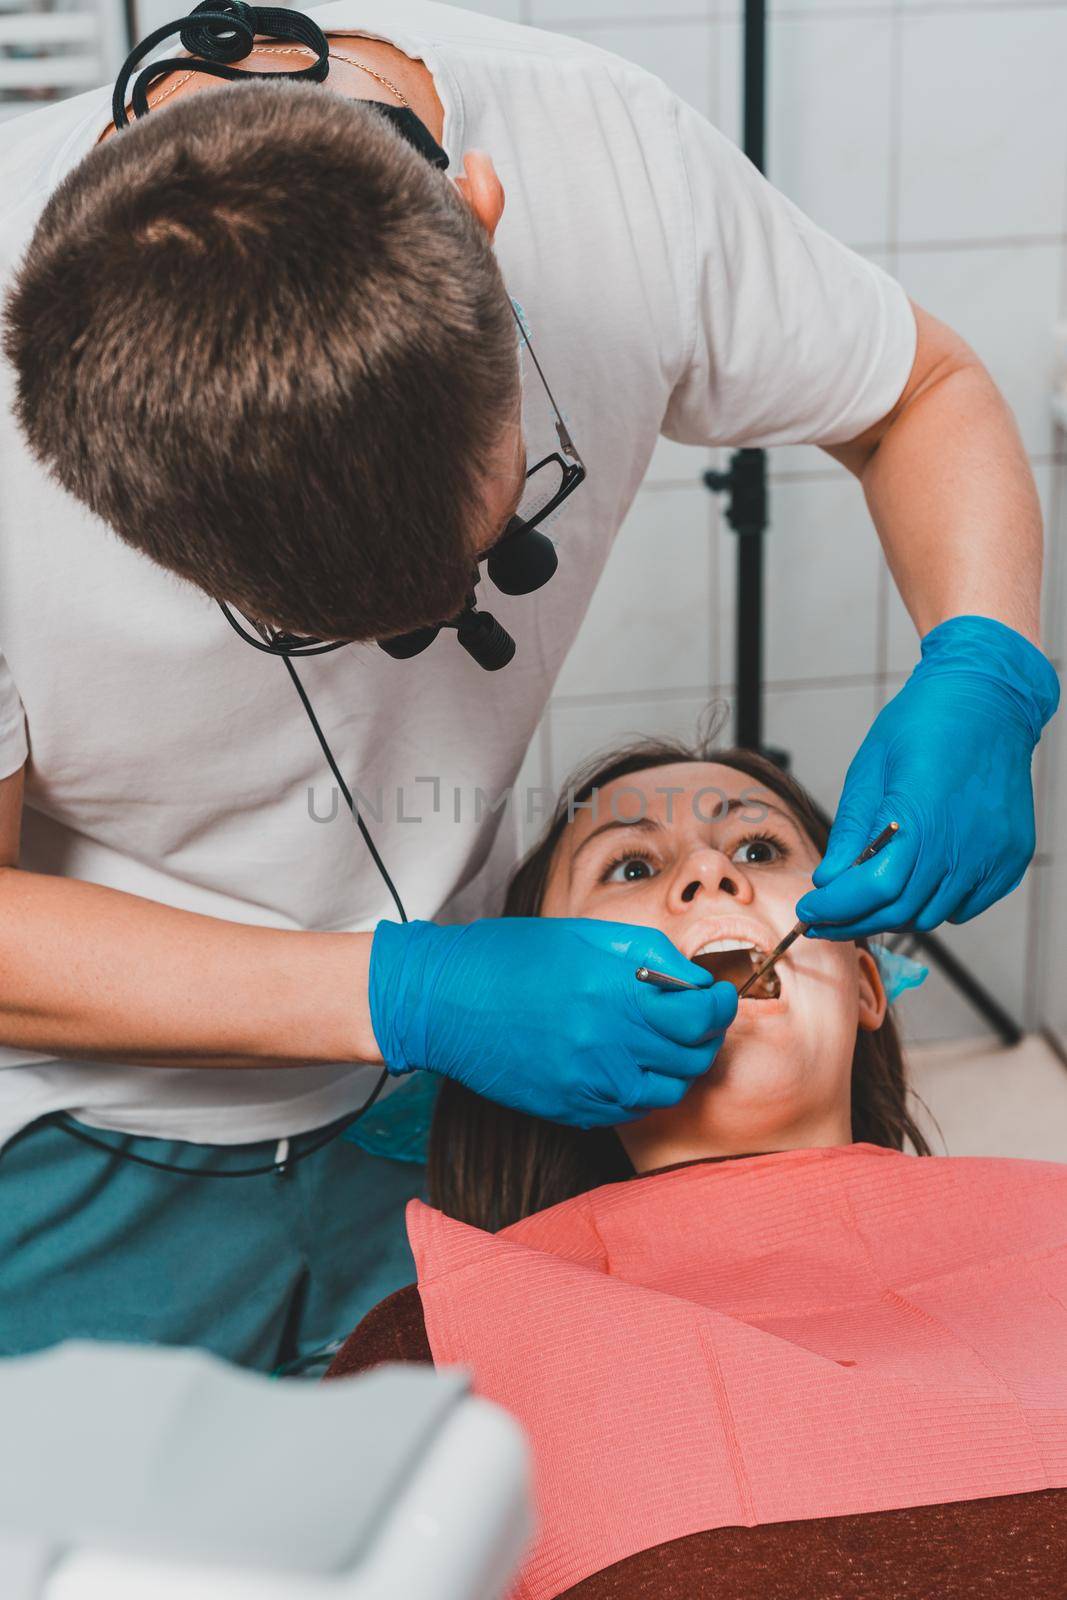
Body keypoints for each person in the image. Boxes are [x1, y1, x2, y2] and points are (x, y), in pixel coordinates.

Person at [0, 0, 1059, 1363]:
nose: (712, 883)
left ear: (486, 225)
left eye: (490, 540)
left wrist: (985, 661)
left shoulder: (614, 174)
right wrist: (408, 993)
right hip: (82, 1130)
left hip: (432, 1107)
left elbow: (913, 391)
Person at [327, 735, 1067, 1599]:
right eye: (630, 867)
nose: (710, 874)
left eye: (758, 848)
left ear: (866, 983)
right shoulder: (433, 1351)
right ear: (531, 1019)